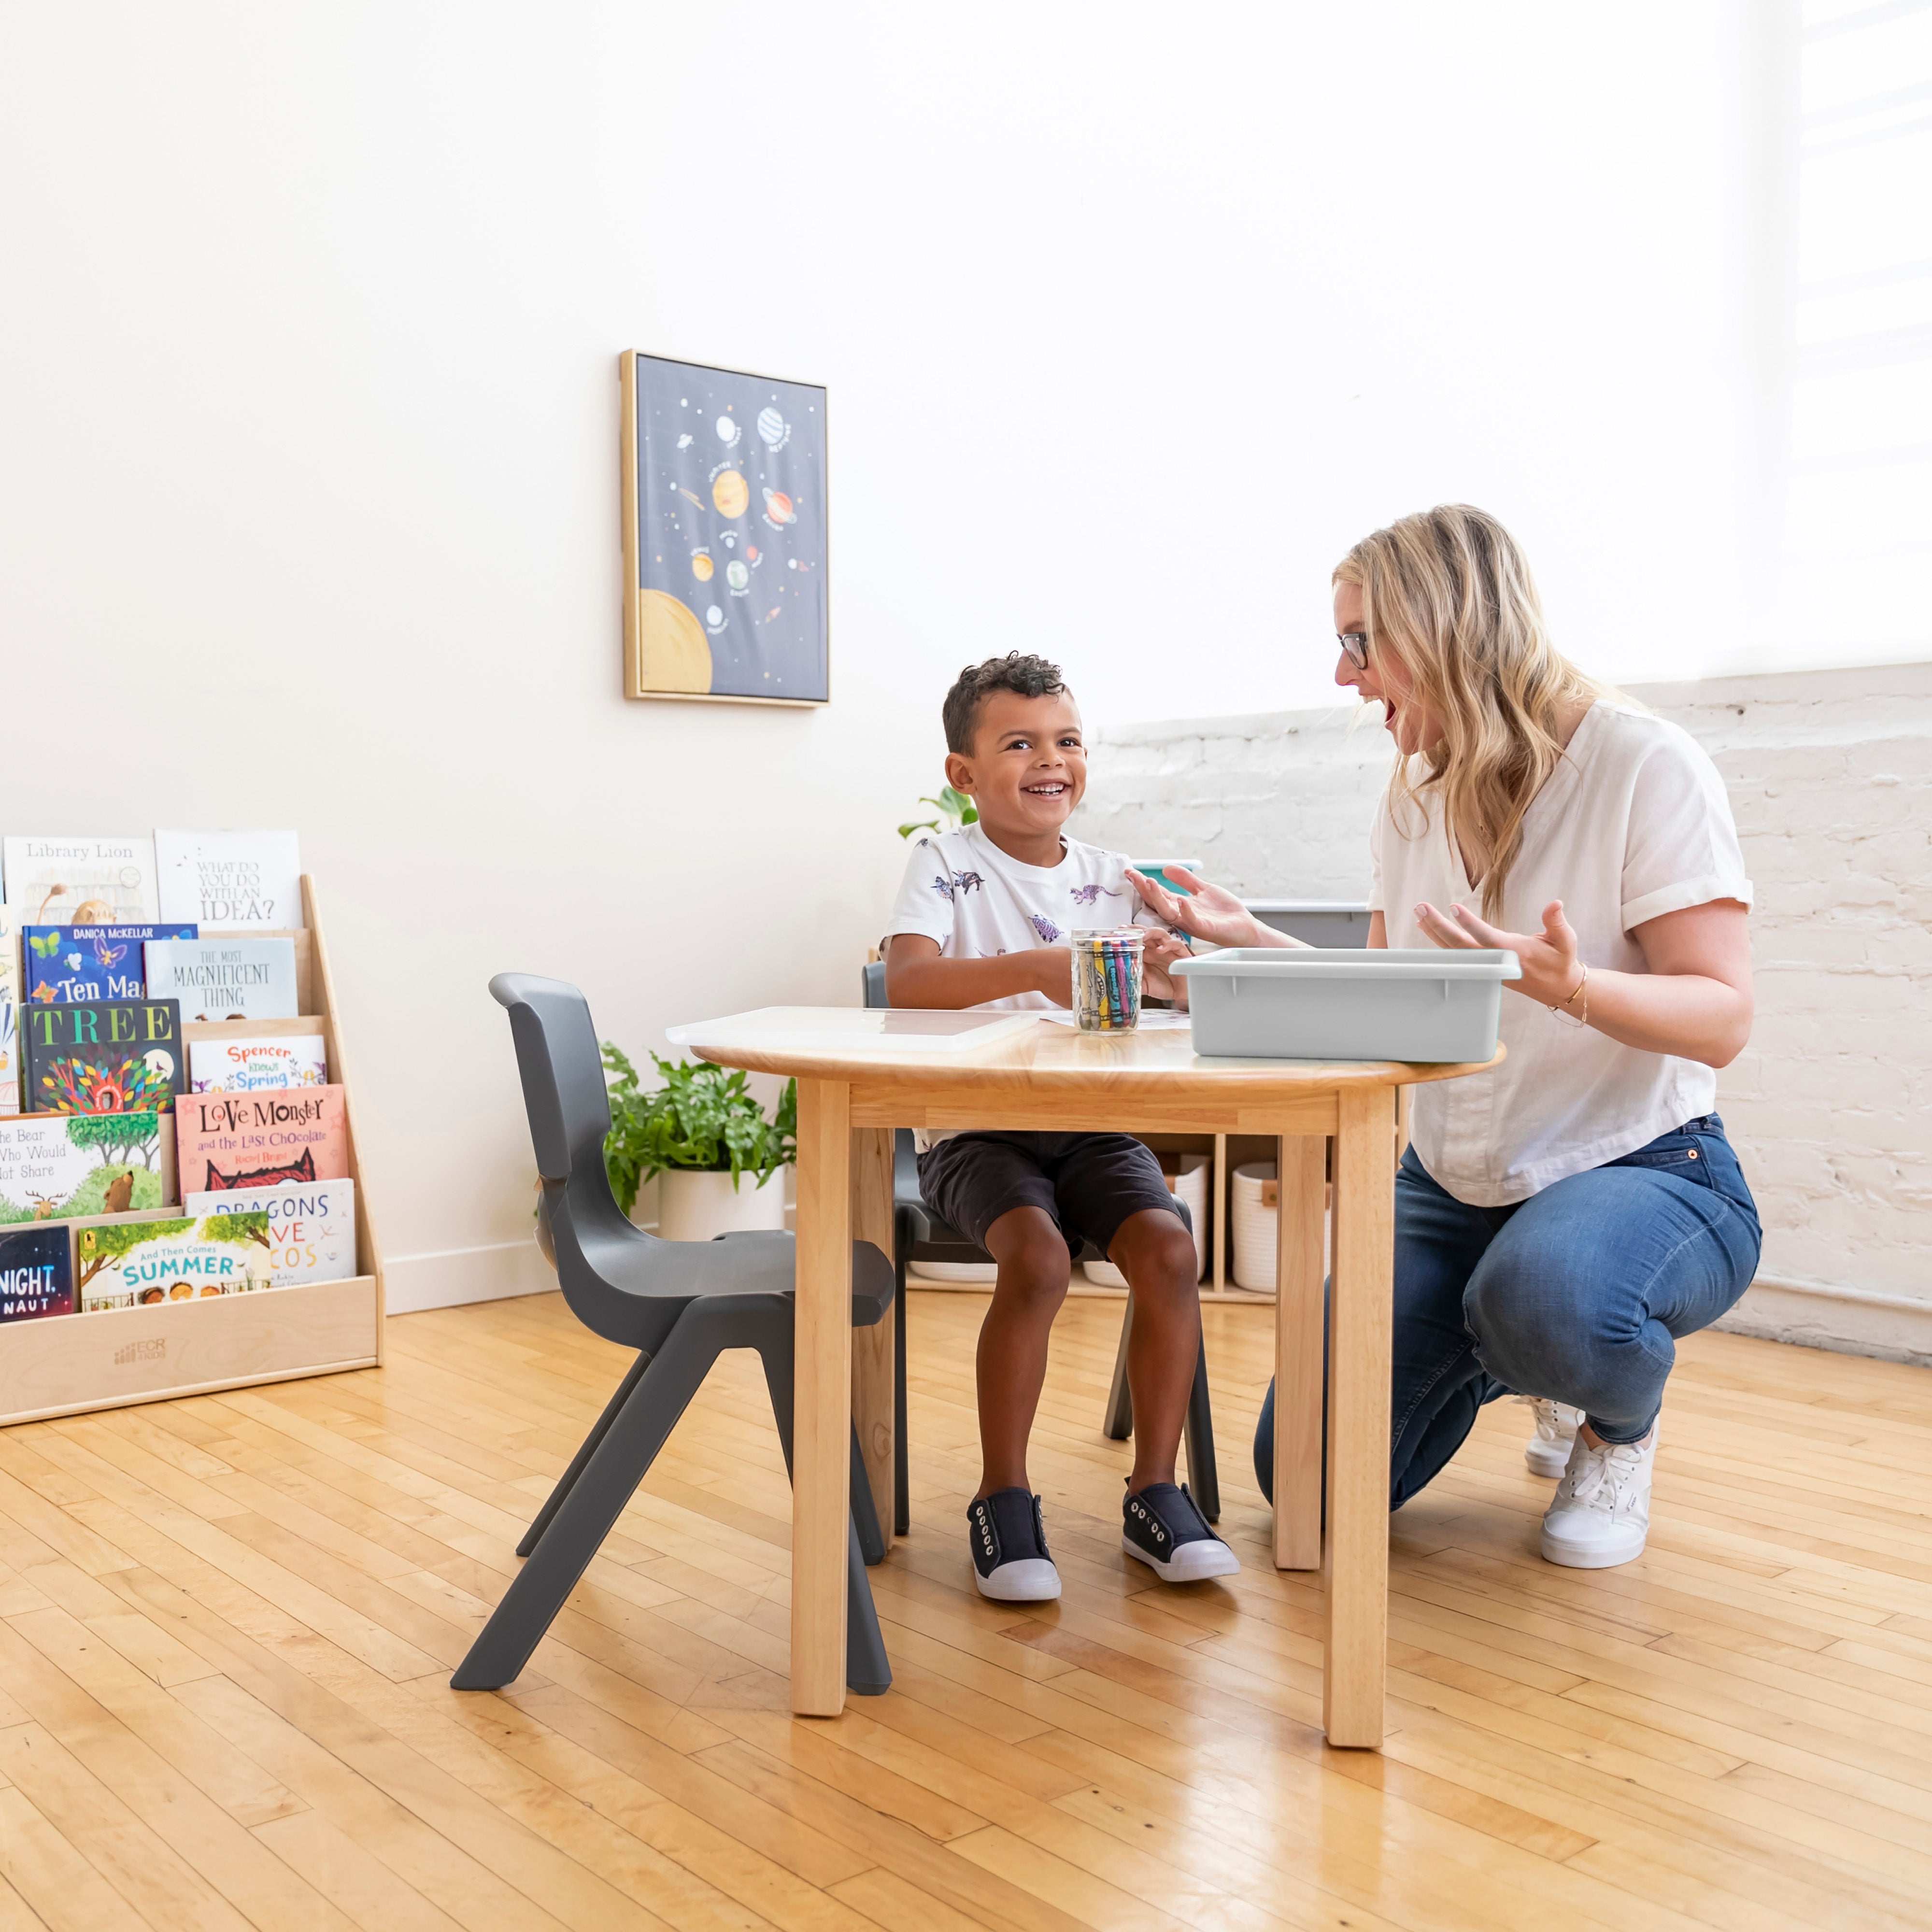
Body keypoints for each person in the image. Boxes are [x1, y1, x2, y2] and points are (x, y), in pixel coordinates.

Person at [1132, 505, 1761, 1569]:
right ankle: (1521, 1338)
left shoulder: (1642, 764)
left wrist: (1574, 988)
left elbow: (1723, 1017)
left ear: (1444, 628)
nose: (1343, 675)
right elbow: (1391, 996)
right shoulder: (1412, 794)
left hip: (1640, 1164)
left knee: (1550, 1298)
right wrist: (1246, 949)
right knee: (1305, 1487)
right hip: (1449, 1186)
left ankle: (1610, 1417)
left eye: (1357, 640)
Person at [884, 651, 1240, 1600]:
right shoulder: (944, 862)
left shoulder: (1111, 877)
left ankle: (1154, 1490)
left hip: (1090, 1127)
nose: (1050, 760)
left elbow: (1148, 1004)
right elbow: (910, 980)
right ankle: (1002, 1496)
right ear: (964, 774)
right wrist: (1032, 968)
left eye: (1066, 740)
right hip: (971, 1129)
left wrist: (1165, 971)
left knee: (1168, 1251)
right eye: (1018, 743)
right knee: (1036, 1259)